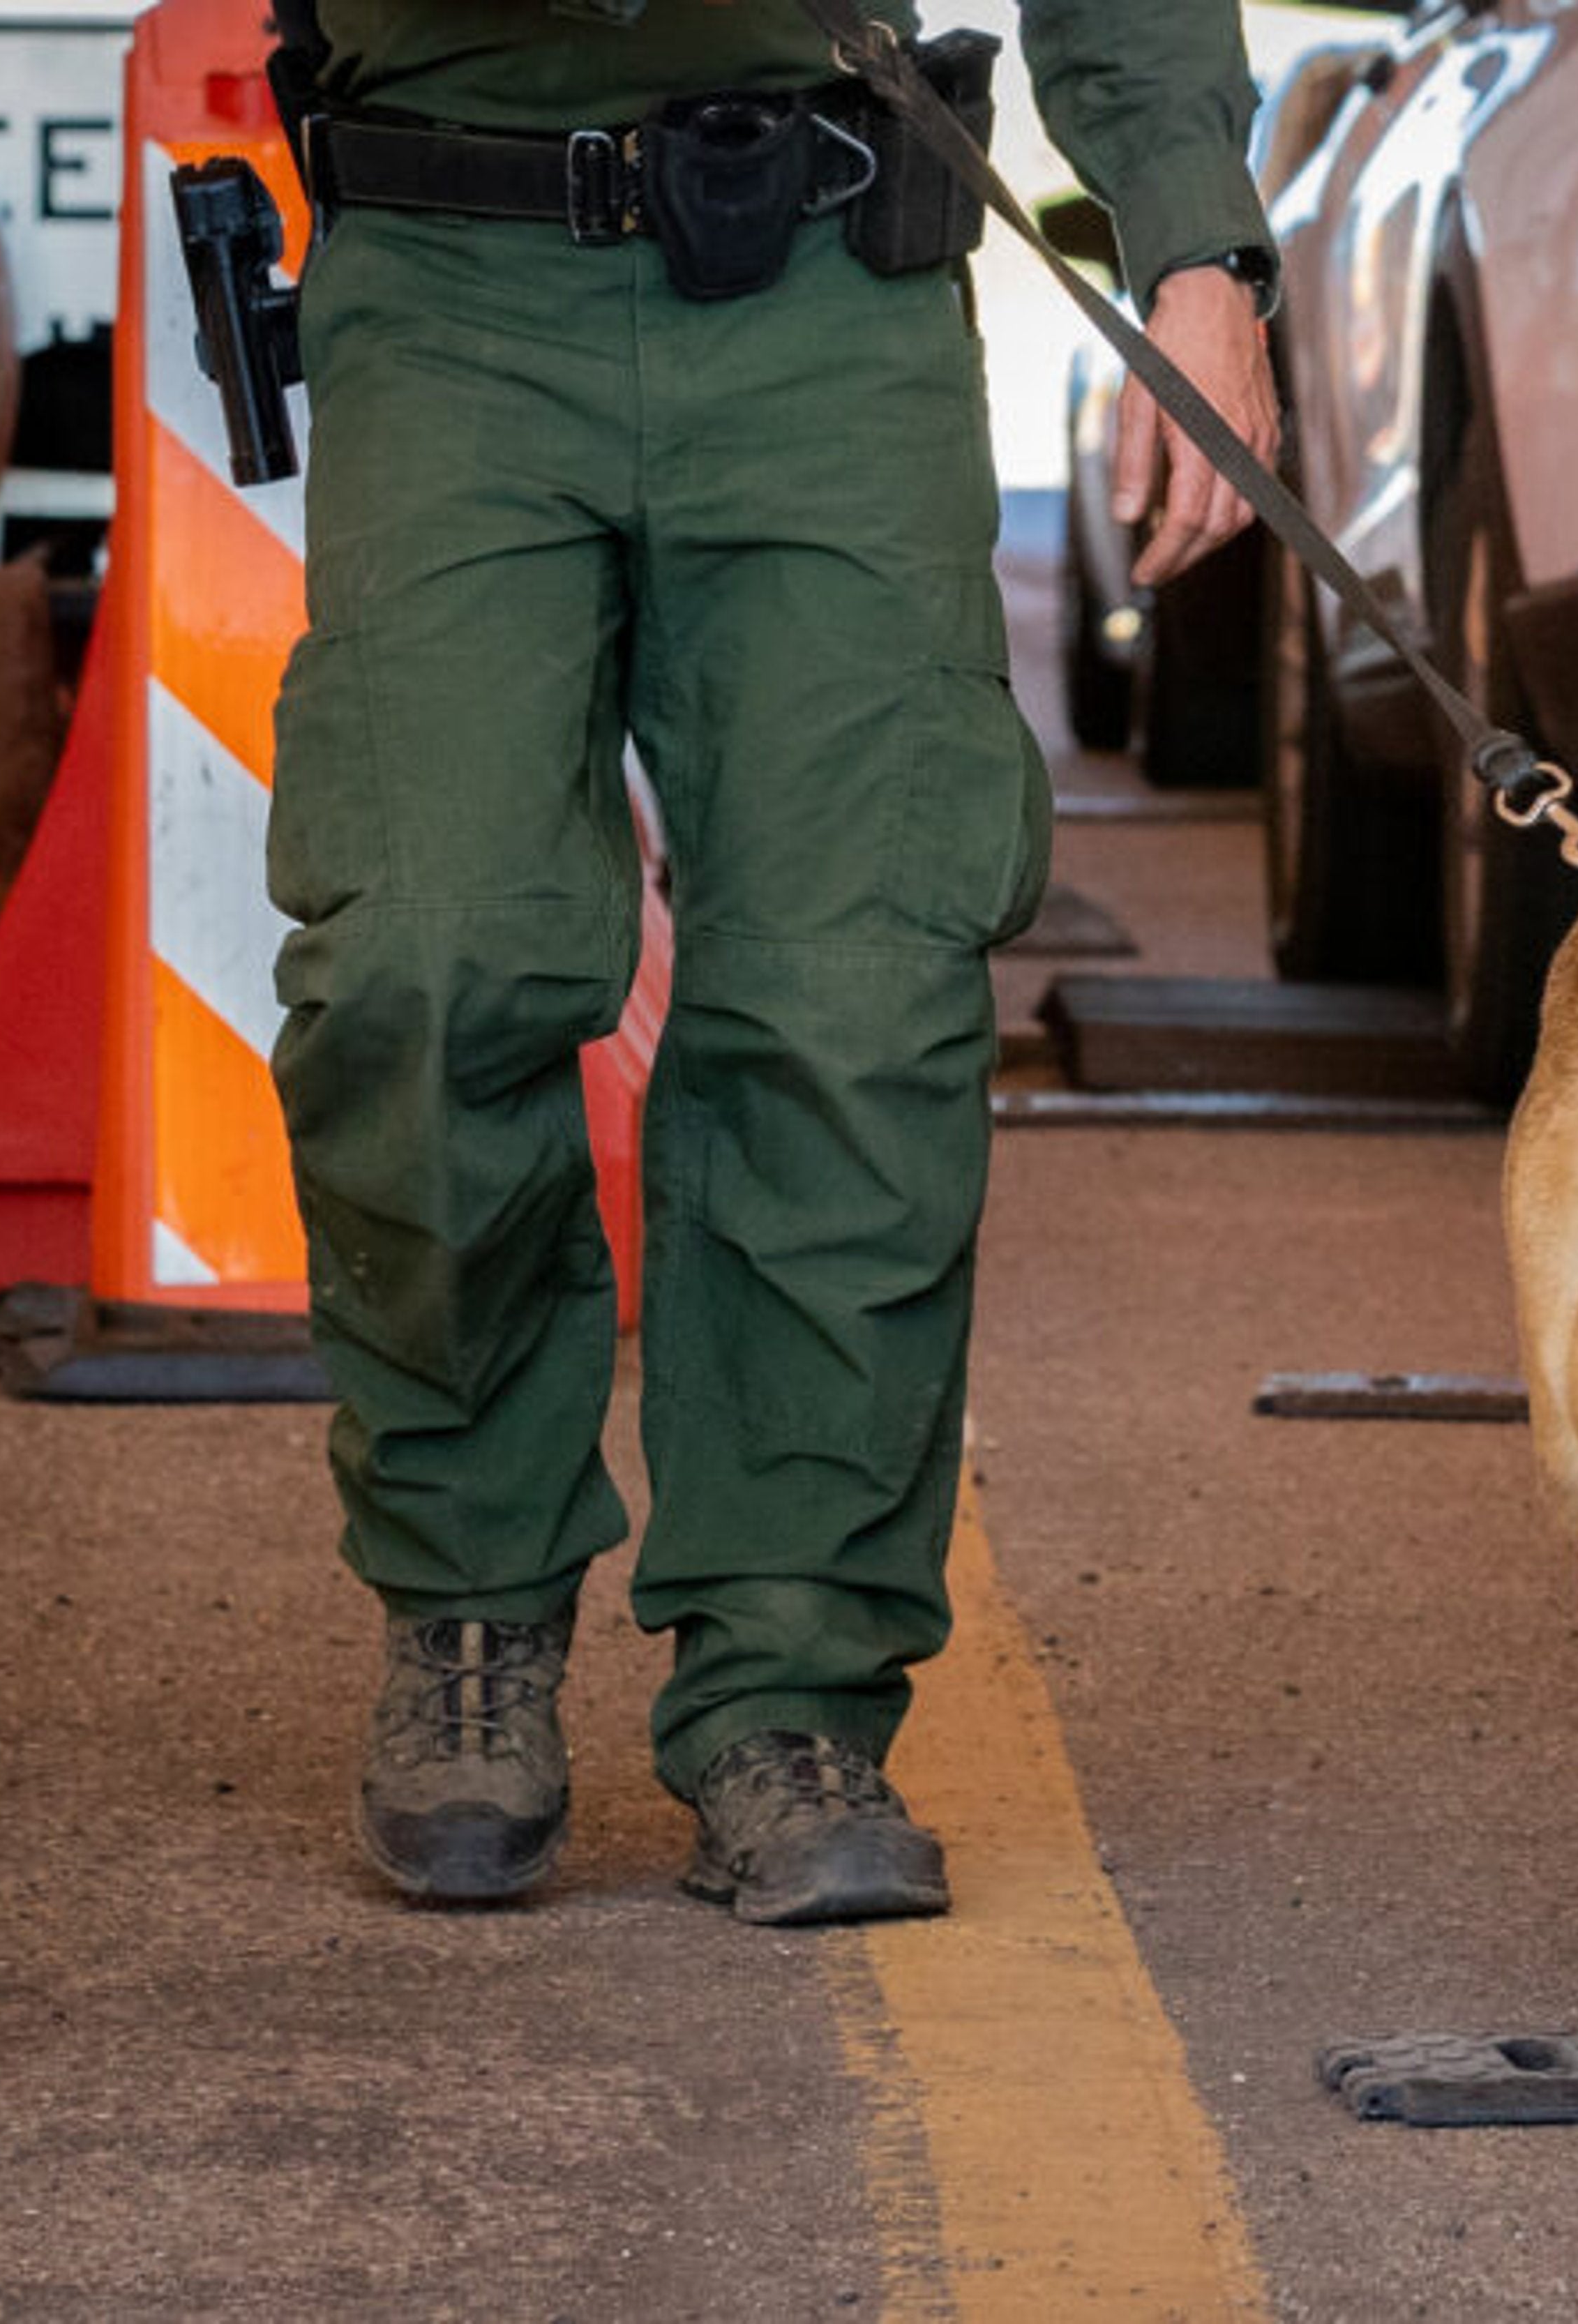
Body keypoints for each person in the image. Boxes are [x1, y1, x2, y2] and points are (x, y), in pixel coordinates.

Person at [269, 0, 1278, 1923]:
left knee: (852, 990)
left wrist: (1196, 242)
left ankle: (793, 1689)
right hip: (449, 275)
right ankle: (467, 1604)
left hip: (823, 281)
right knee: (423, 954)